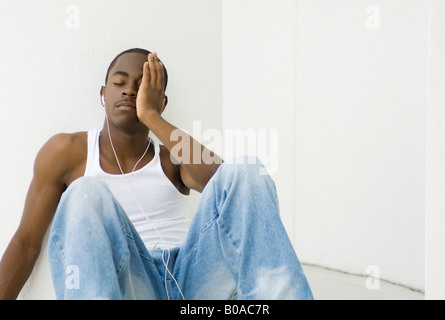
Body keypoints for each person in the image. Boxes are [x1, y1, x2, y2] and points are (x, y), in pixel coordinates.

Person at [0, 48, 313, 300]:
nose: (129, 91)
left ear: (160, 101)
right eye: (119, 82)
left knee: (246, 169)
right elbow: (26, 242)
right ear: (102, 93)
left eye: (141, 85)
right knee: (85, 192)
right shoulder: (68, 150)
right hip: (133, 282)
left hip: (193, 280)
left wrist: (150, 115)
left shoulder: (171, 157)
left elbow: (229, 187)